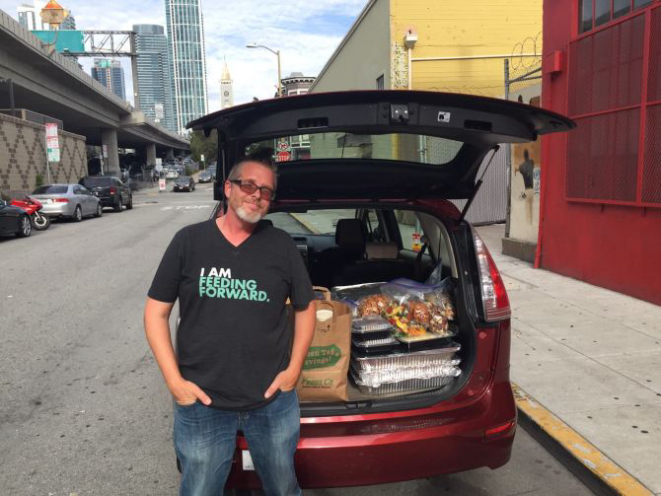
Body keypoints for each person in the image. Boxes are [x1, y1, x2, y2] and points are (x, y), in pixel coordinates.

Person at [144, 155, 316, 496]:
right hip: (203, 404)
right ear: (227, 188)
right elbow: (155, 313)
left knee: (283, 488)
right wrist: (174, 382)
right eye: (249, 184)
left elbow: (306, 307)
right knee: (200, 490)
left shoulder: (281, 246)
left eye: (266, 191)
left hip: (272, 402)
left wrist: (294, 369)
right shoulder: (188, 242)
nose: (257, 195)